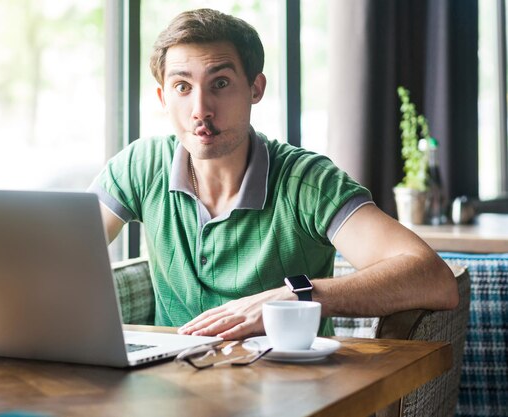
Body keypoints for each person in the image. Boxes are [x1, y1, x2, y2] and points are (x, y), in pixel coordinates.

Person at [90, 8, 458, 340]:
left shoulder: (307, 181)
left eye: (220, 83)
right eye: (182, 87)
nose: (200, 109)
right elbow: (60, 248)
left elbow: (433, 279)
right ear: (162, 98)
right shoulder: (141, 165)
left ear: (255, 88)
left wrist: (296, 294)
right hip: (172, 387)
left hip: (290, 388)